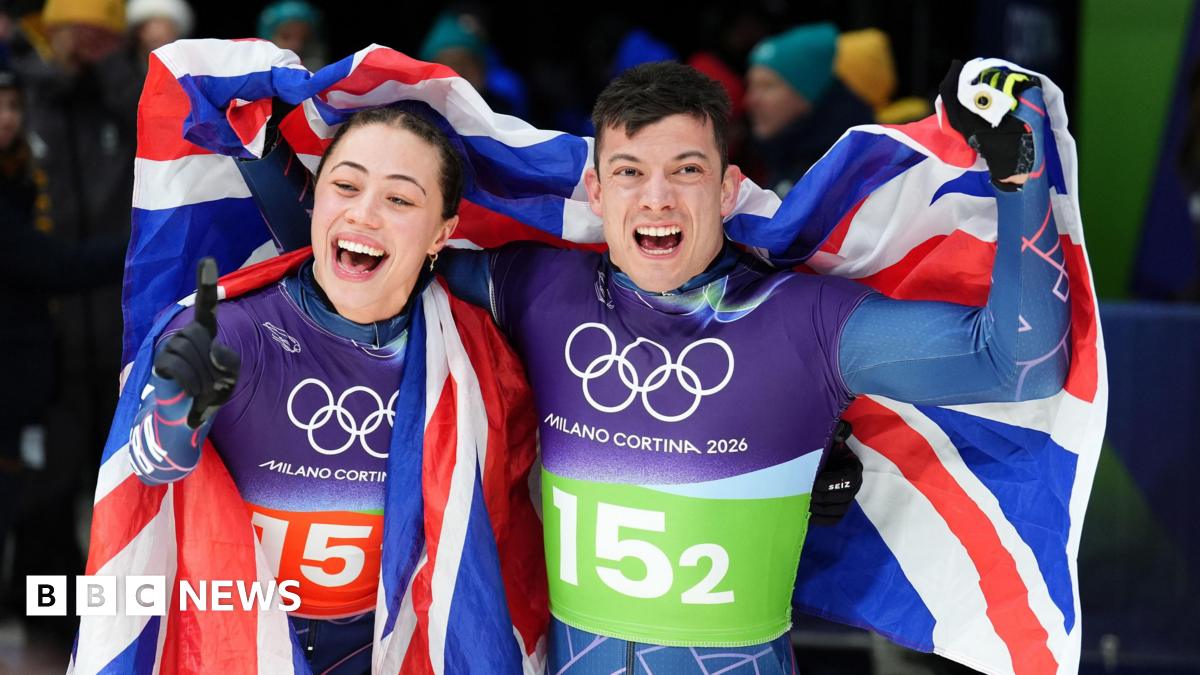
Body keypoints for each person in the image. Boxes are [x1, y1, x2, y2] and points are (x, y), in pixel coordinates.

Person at [430, 60, 1070, 672]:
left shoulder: (805, 323)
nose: (657, 199)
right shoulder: (535, 289)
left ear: (729, 188)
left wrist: (1021, 166)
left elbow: (1018, 366)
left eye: (686, 170)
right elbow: (392, 265)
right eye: (629, 171)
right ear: (595, 190)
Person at [125, 107, 537, 673]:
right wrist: (176, 411)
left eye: (399, 199)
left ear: (443, 233)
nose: (364, 213)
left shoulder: (473, 349)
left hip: (390, 647)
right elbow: (148, 471)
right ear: (316, 200)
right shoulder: (231, 328)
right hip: (239, 639)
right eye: (345, 186)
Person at [744, 23, 875, 195]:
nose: (750, 101)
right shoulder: (785, 157)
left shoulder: (848, 170)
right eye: (751, 86)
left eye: (767, 86)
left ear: (807, 94)